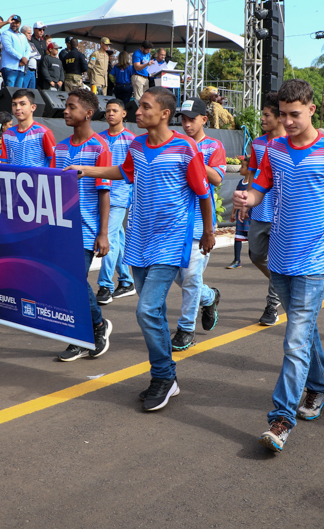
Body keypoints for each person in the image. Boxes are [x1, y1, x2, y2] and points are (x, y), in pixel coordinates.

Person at [232, 79, 324, 453]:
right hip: (281, 256)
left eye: (295, 114)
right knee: (304, 334)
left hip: (316, 258)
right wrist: (247, 196)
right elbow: (260, 189)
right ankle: (321, 387)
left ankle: (281, 418)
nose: (287, 122)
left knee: (294, 341)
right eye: (283, 115)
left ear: (311, 110)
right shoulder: (273, 149)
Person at [68, 87, 214, 411]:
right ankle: (166, 376)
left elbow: (203, 192)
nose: (139, 111)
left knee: (146, 310)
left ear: (164, 114)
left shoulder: (186, 148)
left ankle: (163, 376)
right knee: (155, 313)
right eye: (140, 106)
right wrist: (86, 170)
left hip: (171, 242)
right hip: (138, 241)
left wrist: (207, 232)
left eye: (146, 107)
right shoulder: (137, 144)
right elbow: (124, 172)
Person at [55, 89, 114, 361]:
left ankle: (96, 327)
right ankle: (80, 334)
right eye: (65, 107)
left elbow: (104, 192)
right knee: (65, 283)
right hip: (61, 229)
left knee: (75, 281)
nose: (65, 111)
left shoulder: (100, 147)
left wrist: (103, 233)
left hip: (87, 229)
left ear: (88, 113)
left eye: (71, 107)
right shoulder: (60, 147)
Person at [170, 97, 225, 350]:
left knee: (191, 278)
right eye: (183, 119)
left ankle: (185, 329)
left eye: (192, 119)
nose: (187, 124)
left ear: (204, 119)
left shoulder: (214, 146)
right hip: (172, 222)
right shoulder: (175, 142)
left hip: (199, 222)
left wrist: (192, 159)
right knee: (180, 278)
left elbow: (215, 177)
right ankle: (210, 296)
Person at [234, 92, 285, 326]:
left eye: (266, 115)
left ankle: (272, 303)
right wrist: (246, 203)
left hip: (281, 214)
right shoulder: (257, 142)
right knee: (255, 255)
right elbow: (253, 174)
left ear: (279, 117)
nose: (262, 118)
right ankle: (282, 284)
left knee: (275, 259)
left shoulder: (289, 143)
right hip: (260, 210)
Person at [96, 99, 136, 305]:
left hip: (120, 196)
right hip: (101, 195)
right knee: (117, 239)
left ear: (123, 114)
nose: (110, 113)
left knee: (108, 239)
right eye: (107, 110)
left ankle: (105, 285)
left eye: (115, 110)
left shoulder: (132, 139)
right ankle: (127, 281)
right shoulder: (99, 138)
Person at [0, 90, 56, 167]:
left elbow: (53, 163)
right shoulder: (7, 134)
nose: (17, 108)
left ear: (33, 107)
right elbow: (4, 164)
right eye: (14, 104)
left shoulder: (44, 132)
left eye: (22, 104)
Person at [0, 15, 29, 89]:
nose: (14, 24)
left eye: (17, 23)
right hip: (9, 67)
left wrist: (25, 59)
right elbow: (8, 48)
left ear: (20, 24)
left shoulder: (23, 36)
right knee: (10, 90)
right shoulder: (6, 33)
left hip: (20, 68)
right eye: (13, 22)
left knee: (18, 92)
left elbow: (28, 49)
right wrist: (21, 58)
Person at [226, 177, 249, 269]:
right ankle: (237, 260)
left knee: (253, 239)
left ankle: (259, 259)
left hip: (250, 214)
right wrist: (233, 213)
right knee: (238, 237)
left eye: (243, 167)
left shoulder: (254, 182)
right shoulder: (241, 182)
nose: (240, 169)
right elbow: (236, 199)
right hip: (240, 215)